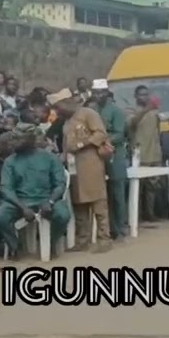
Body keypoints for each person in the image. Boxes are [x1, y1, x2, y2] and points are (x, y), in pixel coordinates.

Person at [0, 124, 71, 256]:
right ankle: (15, 246)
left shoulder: (50, 158)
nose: (12, 143)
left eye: (17, 139)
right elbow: (6, 188)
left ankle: (51, 242)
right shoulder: (10, 161)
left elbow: (60, 185)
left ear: (29, 140)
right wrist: (22, 207)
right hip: (19, 202)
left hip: (46, 199)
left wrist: (50, 202)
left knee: (63, 215)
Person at [56, 98, 113, 252]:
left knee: (98, 201)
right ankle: (83, 240)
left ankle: (104, 239)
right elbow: (66, 145)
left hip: (91, 162)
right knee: (79, 202)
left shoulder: (88, 113)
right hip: (74, 166)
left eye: (58, 108)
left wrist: (81, 144)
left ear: (67, 103)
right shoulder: (66, 122)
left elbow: (101, 134)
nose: (57, 112)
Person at [92, 78, 129, 239]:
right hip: (97, 156)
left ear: (107, 93)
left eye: (101, 92)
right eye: (95, 92)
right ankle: (107, 229)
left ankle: (121, 228)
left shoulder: (116, 111)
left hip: (115, 155)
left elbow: (120, 135)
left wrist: (103, 140)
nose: (98, 95)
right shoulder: (92, 111)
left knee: (117, 193)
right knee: (102, 194)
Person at [128, 85, 164, 222]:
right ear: (136, 96)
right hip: (139, 154)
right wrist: (147, 109)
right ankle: (136, 216)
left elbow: (157, 129)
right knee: (138, 187)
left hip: (154, 152)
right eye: (141, 95)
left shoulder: (155, 111)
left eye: (146, 94)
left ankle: (150, 213)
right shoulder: (131, 110)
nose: (145, 97)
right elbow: (132, 123)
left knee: (152, 187)